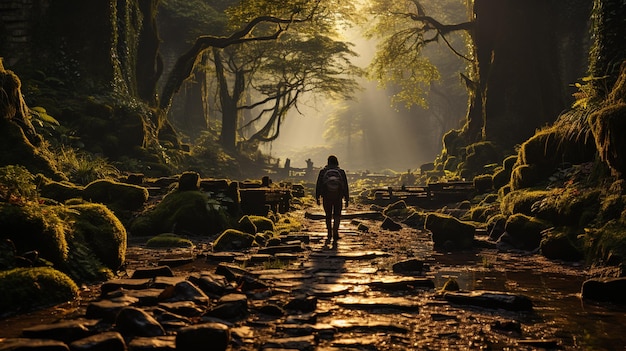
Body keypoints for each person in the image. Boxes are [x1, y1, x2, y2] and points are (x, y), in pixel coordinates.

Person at [315, 155, 349, 246]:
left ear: (328, 162)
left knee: (328, 215)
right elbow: (345, 186)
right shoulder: (341, 172)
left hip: (326, 196)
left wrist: (317, 197)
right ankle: (335, 233)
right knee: (337, 215)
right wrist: (347, 199)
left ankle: (329, 233)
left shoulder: (323, 172)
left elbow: (318, 184)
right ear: (337, 162)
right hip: (338, 197)